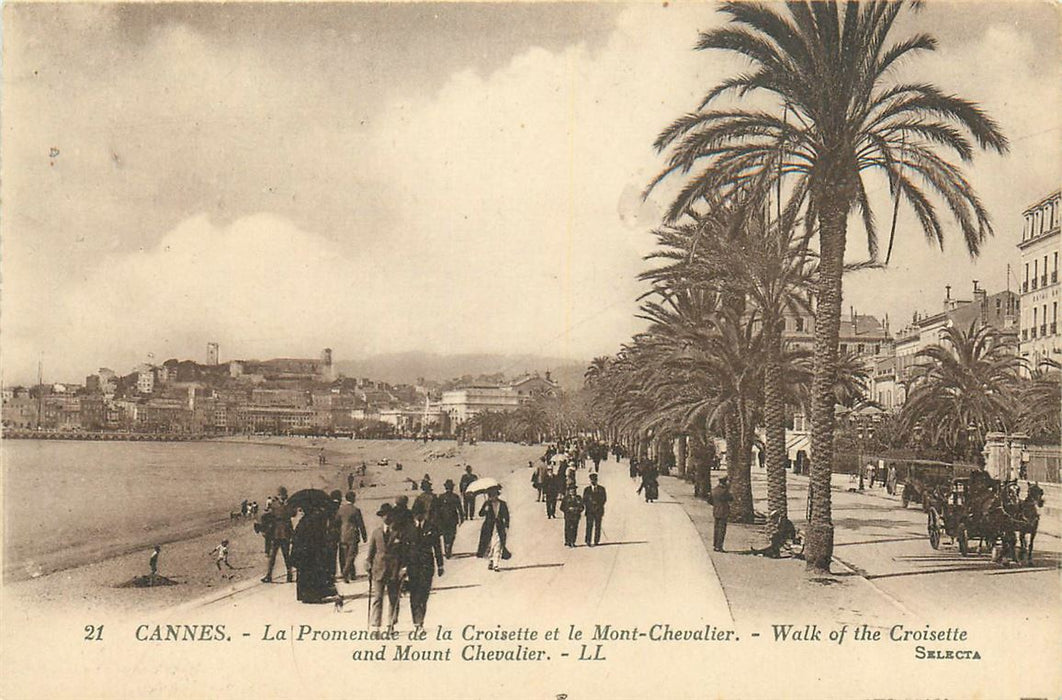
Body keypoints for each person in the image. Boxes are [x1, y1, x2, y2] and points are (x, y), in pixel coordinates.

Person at [367, 504, 407, 634]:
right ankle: (375, 627)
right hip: (378, 570)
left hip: (393, 571)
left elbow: (403, 553)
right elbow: (370, 553)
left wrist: (403, 568)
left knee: (393, 599)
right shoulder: (376, 533)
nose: (387, 517)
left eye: (389, 514)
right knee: (378, 598)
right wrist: (368, 564)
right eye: (384, 514)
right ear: (381, 516)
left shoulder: (399, 533)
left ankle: (390, 625)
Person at [290, 502, 340, 604]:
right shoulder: (314, 521)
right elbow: (319, 537)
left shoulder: (303, 521)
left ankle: (304, 595)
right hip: (312, 552)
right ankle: (313, 595)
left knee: (304, 574)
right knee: (313, 573)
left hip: (303, 552)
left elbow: (296, 536)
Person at [406, 501, 444, 632]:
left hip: (427, 565)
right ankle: (417, 622)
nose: (419, 517)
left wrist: (440, 565)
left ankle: (420, 619)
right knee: (414, 594)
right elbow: (404, 549)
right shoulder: (409, 528)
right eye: (416, 514)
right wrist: (403, 566)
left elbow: (437, 546)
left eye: (421, 514)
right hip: (412, 566)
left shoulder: (431, 527)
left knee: (424, 594)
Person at [262, 487, 294, 583]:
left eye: (283, 495)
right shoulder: (274, 505)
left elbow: (293, 514)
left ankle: (289, 574)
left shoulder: (289, 505)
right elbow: (267, 515)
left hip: (285, 532)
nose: (281, 497)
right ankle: (269, 575)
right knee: (272, 555)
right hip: (275, 532)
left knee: (286, 555)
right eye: (280, 495)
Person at [476, 486, 510, 571]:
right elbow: (480, 514)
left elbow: (506, 515)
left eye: (495, 495)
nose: (493, 497)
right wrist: (485, 509)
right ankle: (491, 560)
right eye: (491, 495)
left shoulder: (502, 504)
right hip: (488, 527)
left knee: (498, 544)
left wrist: (506, 525)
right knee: (490, 545)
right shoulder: (487, 504)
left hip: (499, 527)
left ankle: (496, 564)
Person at [337, 491, 368, 582]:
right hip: (353, 535)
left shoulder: (341, 509)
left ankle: (352, 574)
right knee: (352, 555)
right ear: (353, 499)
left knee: (346, 555)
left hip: (343, 535)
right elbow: (360, 524)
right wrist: (364, 535)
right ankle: (346, 572)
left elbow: (336, 522)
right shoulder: (355, 510)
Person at [435, 479, 464, 558]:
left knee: (445, 534)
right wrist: (462, 518)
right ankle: (449, 548)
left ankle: (446, 548)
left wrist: (437, 519)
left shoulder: (441, 497)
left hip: (443, 518)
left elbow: (437, 509)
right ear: (452, 487)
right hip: (453, 519)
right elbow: (460, 508)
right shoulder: (455, 496)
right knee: (452, 534)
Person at [583, 472, 607, 547]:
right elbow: (584, 500)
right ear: (590, 481)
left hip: (598, 510)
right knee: (589, 526)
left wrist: (598, 505)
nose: (593, 481)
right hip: (590, 511)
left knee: (598, 526)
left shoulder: (601, 489)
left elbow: (604, 499)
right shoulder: (586, 489)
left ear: (597, 480)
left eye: (595, 480)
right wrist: (590, 505)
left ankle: (596, 540)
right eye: (592, 480)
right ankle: (588, 540)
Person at [710, 477, 732, 552]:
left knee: (716, 529)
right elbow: (731, 498)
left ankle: (715, 545)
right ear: (724, 482)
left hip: (716, 511)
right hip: (723, 512)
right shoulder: (724, 491)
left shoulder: (714, 490)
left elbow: (709, 500)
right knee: (722, 530)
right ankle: (719, 546)